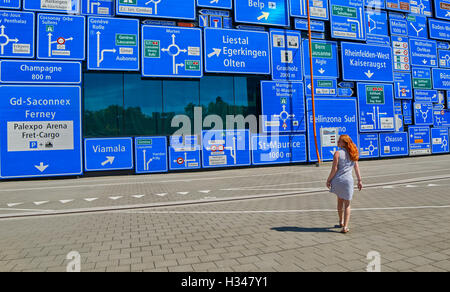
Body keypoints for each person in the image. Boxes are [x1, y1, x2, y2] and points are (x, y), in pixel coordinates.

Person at [326, 135, 363, 234]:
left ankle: (340, 221)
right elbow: (356, 168)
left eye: (340, 141)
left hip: (338, 181)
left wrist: (328, 180)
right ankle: (345, 227)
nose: (338, 142)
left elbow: (334, 169)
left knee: (339, 201)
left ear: (344, 143)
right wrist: (359, 180)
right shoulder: (353, 153)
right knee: (347, 204)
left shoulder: (337, 154)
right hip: (348, 181)